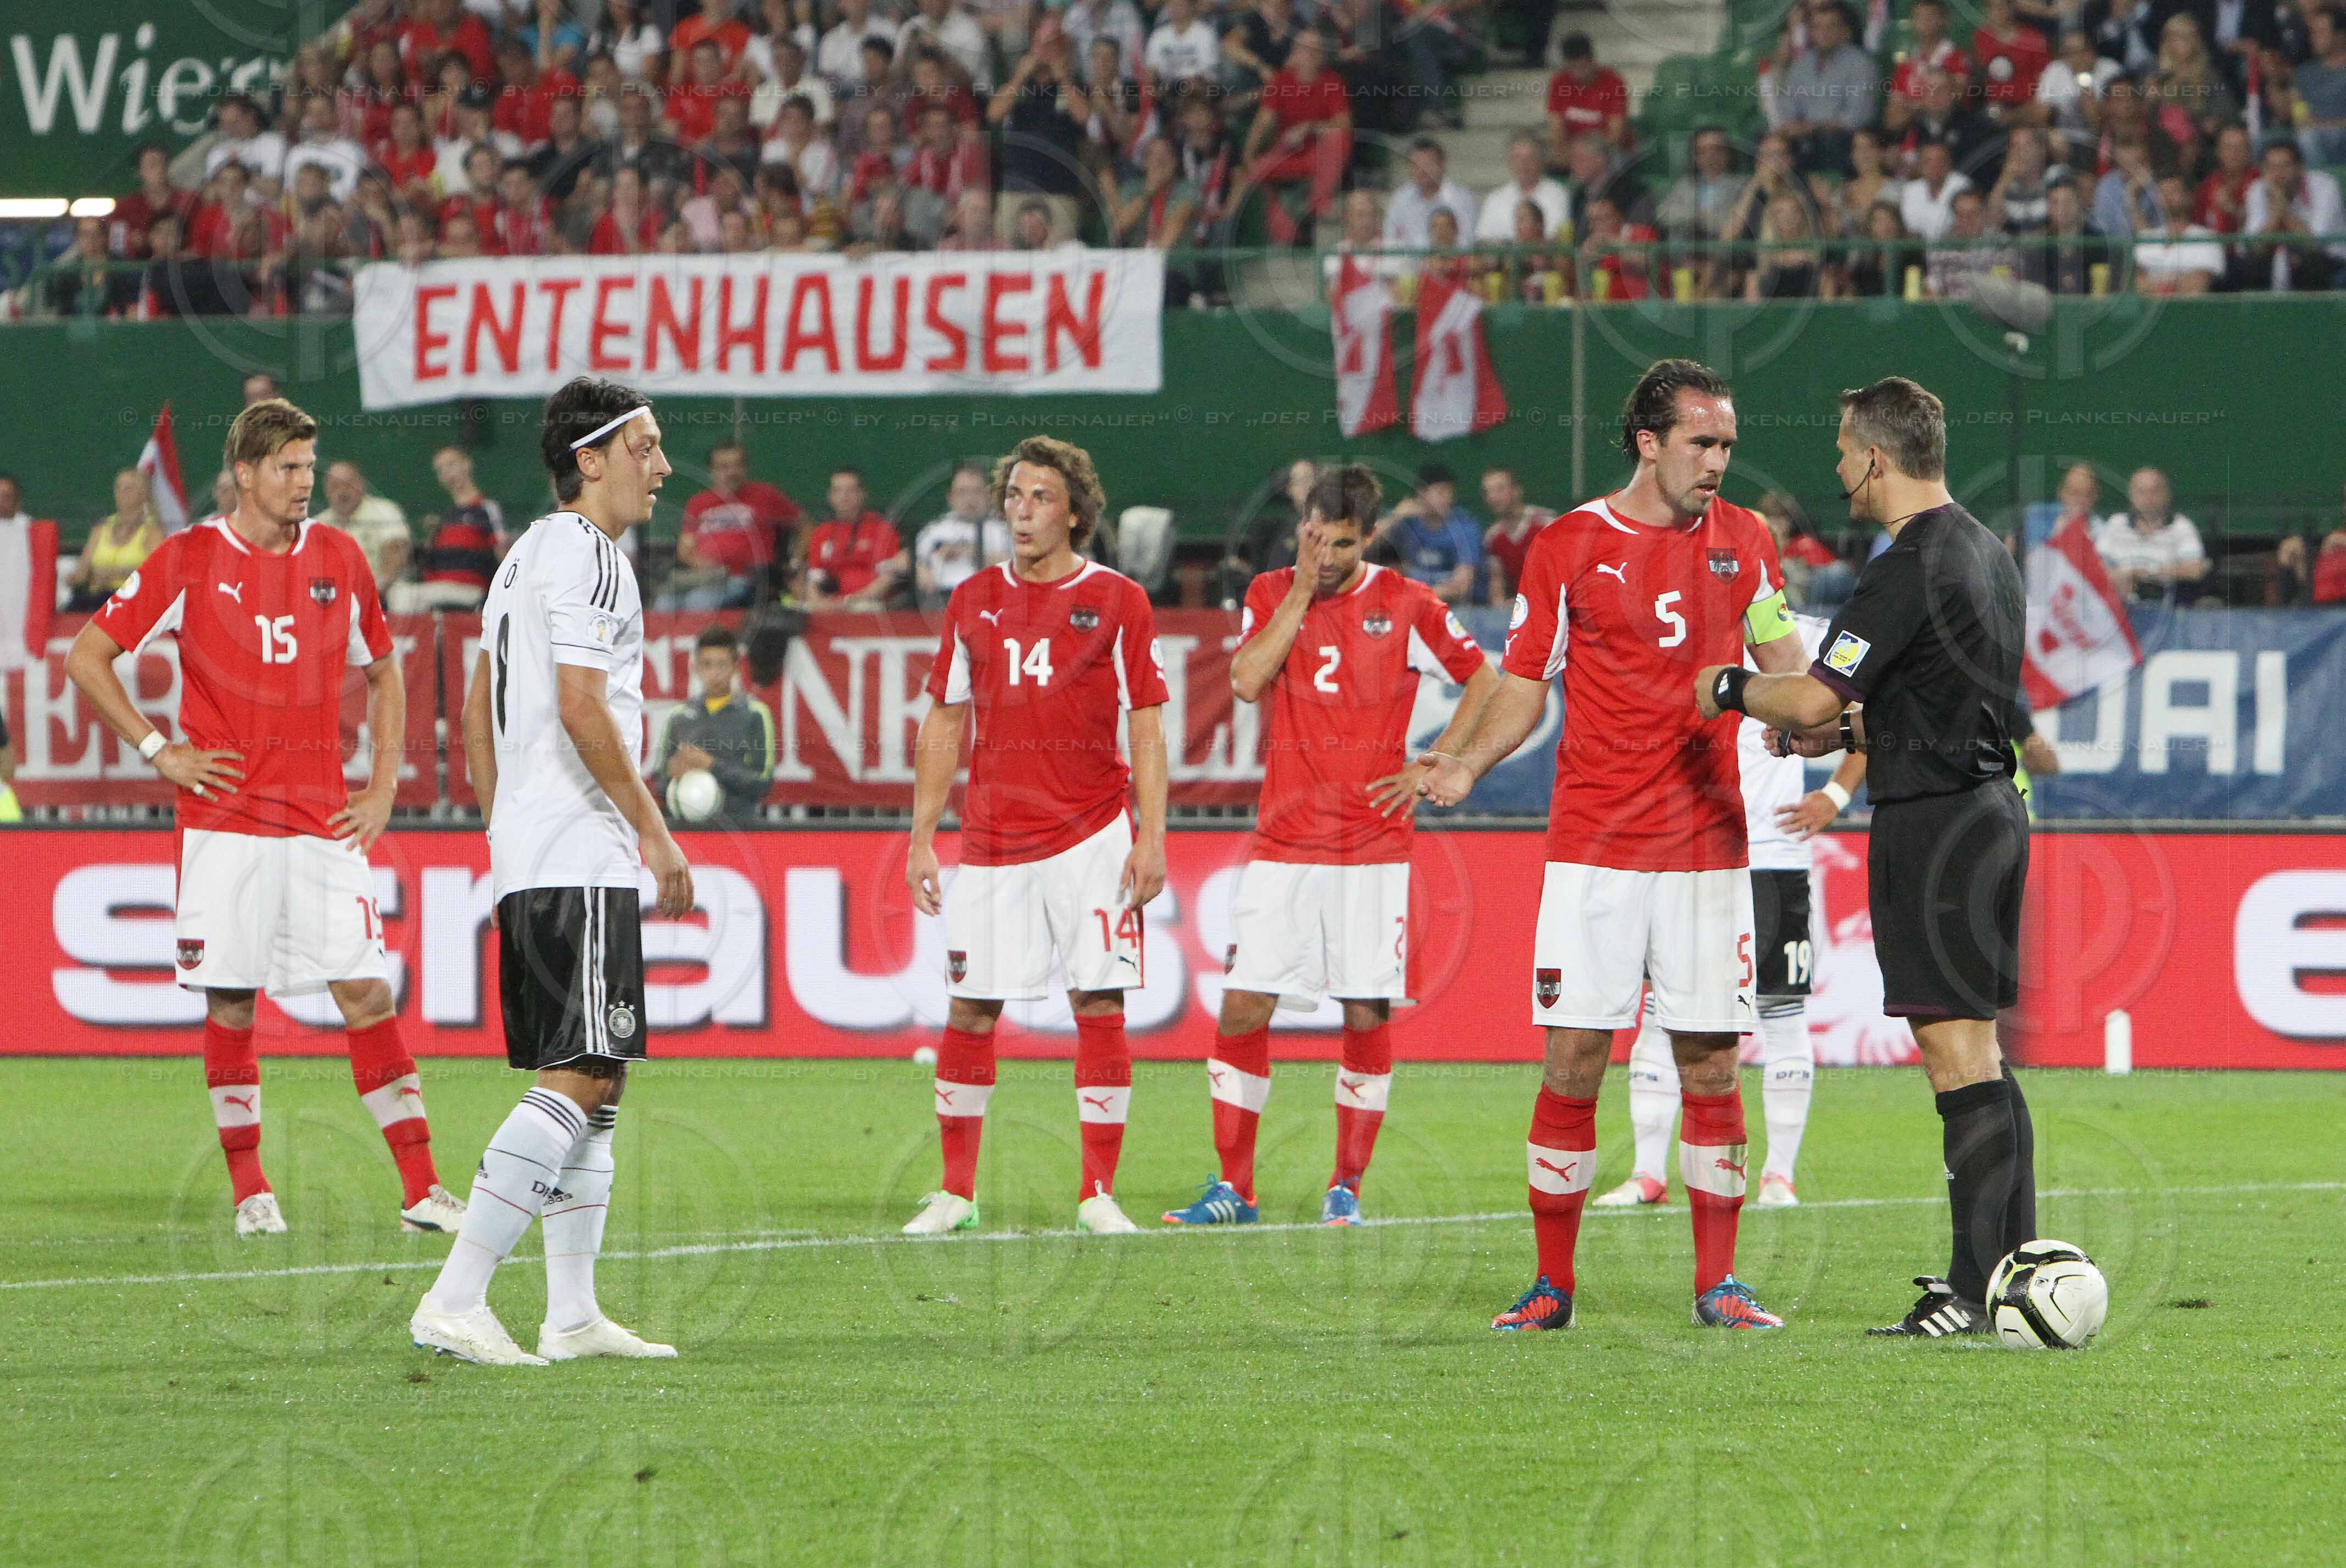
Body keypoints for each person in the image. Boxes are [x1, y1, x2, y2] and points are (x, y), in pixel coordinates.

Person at [1418, 359, 1806, 1334]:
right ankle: (1553, 1283)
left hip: (1706, 849)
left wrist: (1805, 712)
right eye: (1699, 443)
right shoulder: (1568, 545)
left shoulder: (1747, 542)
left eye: (1725, 444)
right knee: (1574, 1059)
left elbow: (1783, 659)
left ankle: (1717, 1283)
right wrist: (1466, 764)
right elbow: (1522, 680)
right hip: (1592, 847)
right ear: (1647, 441)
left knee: (1711, 1064)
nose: (1717, 462)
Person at [64, 400, 461, 1241]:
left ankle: (422, 1188)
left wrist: (384, 787)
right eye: (287, 468)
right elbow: (88, 656)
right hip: (224, 825)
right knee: (234, 1003)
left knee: (364, 991)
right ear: (244, 473)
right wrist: (157, 748)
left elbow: (388, 674)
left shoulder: (341, 558)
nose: (302, 482)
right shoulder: (189, 559)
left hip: (323, 823)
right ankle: (252, 1192)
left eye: (309, 468)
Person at [1696, 376, 2035, 1340]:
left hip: (1935, 828)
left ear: (1878, 458)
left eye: (1846, 451)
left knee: (1952, 1052)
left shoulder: (1906, 565)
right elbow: (1928, 697)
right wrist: (1853, 727)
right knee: (1979, 1050)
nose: (1839, 469)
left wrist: (1725, 687)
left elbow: (1801, 698)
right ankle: (2009, 1268)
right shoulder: (1984, 550)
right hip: (1985, 810)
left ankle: (1973, 1291)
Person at [412, 378, 693, 1368]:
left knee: (598, 1077)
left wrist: (504, 824)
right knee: (577, 1072)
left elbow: (478, 701)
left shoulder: (522, 555)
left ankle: (571, 1314)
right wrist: (653, 832)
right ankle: (457, 1295)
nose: (662, 467)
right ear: (593, 458)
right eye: (647, 448)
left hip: (536, 846)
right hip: (577, 851)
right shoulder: (595, 557)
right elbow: (583, 705)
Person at [1163, 464, 1498, 1229]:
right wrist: (1302, 593)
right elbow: (1247, 680)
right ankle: (1234, 1190)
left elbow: (1483, 680)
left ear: (1370, 537)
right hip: (1286, 841)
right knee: (1245, 1005)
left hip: (1372, 844)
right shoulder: (1268, 592)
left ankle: (1346, 1184)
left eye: (1345, 544)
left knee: (1365, 1006)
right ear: (1302, 524)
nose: (1330, 554)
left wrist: (1436, 762)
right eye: (1318, 538)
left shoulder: (1407, 603)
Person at [902, 436, 1170, 1238]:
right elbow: (945, 720)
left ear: (1076, 514)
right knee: (972, 1008)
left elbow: (1148, 727)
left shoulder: (1119, 601)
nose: (1021, 512)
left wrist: (1150, 836)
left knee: (1099, 1002)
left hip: (1092, 835)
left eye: (1040, 498)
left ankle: (1098, 1194)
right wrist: (922, 837)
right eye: (1013, 495)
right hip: (990, 839)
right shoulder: (970, 598)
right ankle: (956, 1192)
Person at [1599, 613, 1864, 1212]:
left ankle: (1779, 1175)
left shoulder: (1815, 636)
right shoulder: (1686, 630)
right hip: (1690, 854)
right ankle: (1647, 1173)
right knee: (1659, 1012)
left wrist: (1836, 794)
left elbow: (1877, 713)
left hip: (1773, 855)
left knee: (1781, 1010)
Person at [652, 624, 776, 822]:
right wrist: (671, 776)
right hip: (688, 829)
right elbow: (659, 782)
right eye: (707, 665)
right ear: (696, 668)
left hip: (739, 827)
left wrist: (711, 765)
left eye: (722, 665)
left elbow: (763, 782)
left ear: (736, 668)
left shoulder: (755, 714)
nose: (715, 673)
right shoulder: (679, 716)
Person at [662, 440, 801, 609]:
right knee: (665, 603)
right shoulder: (698, 502)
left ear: (746, 468)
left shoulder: (766, 495)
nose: (731, 472)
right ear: (712, 471)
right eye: (724, 467)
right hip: (704, 577)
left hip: (746, 578)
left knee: (697, 602)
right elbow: (685, 550)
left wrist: (795, 561)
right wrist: (703, 565)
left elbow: (806, 527)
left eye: (737, 466)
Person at [416, 445, 509, 610]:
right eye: (440, 470)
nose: (447, 473)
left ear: (467, 465)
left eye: (451, 465)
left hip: (469, 591)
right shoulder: (445, 519)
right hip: (437, 591)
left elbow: (503, 554)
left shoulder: (486, 508)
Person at [2095, 467, 2208, 602]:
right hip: (2119, 606)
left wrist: (2149, 572)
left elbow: (2195, 570)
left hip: (2167, 605)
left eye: (2154, 491)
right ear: (2131, 495)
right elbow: (2097, 565)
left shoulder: (2181, 526)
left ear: (2167, 495)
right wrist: (2121, 577)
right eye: (2141, 492)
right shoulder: (2116, 523)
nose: (2148, 498)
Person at [1376, 464, 1483, 604]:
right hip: (1415, 605)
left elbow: (1460, 588)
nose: (1448, 498)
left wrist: (1410, 597)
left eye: (1450, 491)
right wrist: (1396, 516)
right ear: (1421, 494)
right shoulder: (1407, 522)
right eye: (1441, 491)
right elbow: (1365, 543)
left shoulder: (1465, 526)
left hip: (1459, 609)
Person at [913, 462, 1014, 608]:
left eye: (977, 492)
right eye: (962, 492)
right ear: (951, 497)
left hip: (993, 601)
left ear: (989, 495)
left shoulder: (1004, 530)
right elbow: (911, 559)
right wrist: (920, 570)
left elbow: (1016, 567)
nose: (970, 499)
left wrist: (971, 552)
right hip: (942, 601)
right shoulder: (935, 530)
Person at [802, 468, 907, 607]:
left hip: (870, 604)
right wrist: (819, 603)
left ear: (862, 494)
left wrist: (851, 601)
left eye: (851, 490)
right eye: (838, 491)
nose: (844, 497)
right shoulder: (821, 532)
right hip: (829, 605)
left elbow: (888, 578)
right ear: (830, 496)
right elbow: (814, 580)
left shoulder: (881, 528)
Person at [66, 470, 165, 612]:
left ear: (143, 494)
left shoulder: (153, 532)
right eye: (118, 487)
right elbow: (82, 571)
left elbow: (156, 574)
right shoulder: (101, 528)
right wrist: (77, 577)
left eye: (129, 489)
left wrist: (115, 574)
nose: (122, 493)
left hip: (129, 603)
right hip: (95, 600)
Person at [316, 460, 412, 602]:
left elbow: (396, 553)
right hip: (335, 594)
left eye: (348, 485)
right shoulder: (319, 524)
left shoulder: (385, 511)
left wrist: (372, 589)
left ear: (361, 485)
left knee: (401, 596)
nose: (342, 492)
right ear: (326, 491)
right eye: (335, 487)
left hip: (382, 590)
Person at [1478, 467, 1555, 603]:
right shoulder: (1493, 538)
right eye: (1488, 492)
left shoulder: (1546, 524)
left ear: (1517, 490)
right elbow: (1497, 586)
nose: (1493, 497)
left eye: (1500, 489)